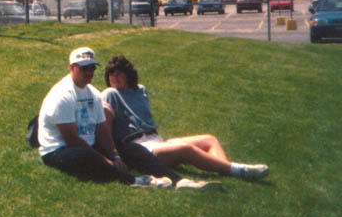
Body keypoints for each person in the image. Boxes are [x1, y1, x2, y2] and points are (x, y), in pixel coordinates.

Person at [37, 47, 219, 190]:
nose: (89, 72)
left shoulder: (93, 93)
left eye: (92, 67)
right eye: (84, 68)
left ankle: (179, 181)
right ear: (72, 68)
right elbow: (72, 140)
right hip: (59, 150)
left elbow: (101, 129)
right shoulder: (62, 95)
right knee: (86, 156)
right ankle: (136, 180)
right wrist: (104, 159)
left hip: (87, 142)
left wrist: (114, 154)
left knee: (130, 148)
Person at [101, 54, 269, 180]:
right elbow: (105, 128)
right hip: (141, 148)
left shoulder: (140, 90)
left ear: (128, 75)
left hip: (157, 140)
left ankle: (225, 169)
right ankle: (239, 169)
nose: (115, 78)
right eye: (111, 74)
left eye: (119, 74)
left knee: (209, 139)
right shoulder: (109, 94)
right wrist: (114, 156)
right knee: (185, 149)